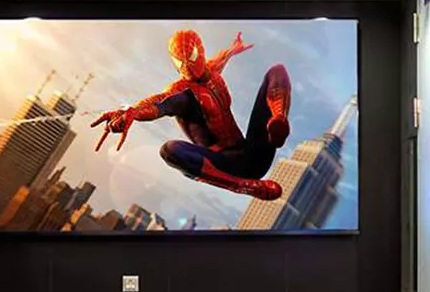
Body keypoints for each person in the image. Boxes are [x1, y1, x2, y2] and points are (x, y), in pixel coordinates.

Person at [90, 29, 293, 201]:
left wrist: (233, 49)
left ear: (200, 51)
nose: (186, 66)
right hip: (228, 167)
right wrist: (132, 112)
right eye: (180, 62)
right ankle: (241, 186)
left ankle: (278, 120)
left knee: (277, 71)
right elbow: (159, 103)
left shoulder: (212, 73)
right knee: (170, 150)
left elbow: (220, 59)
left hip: (255, 153)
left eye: (191, 57)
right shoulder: (182, 93)